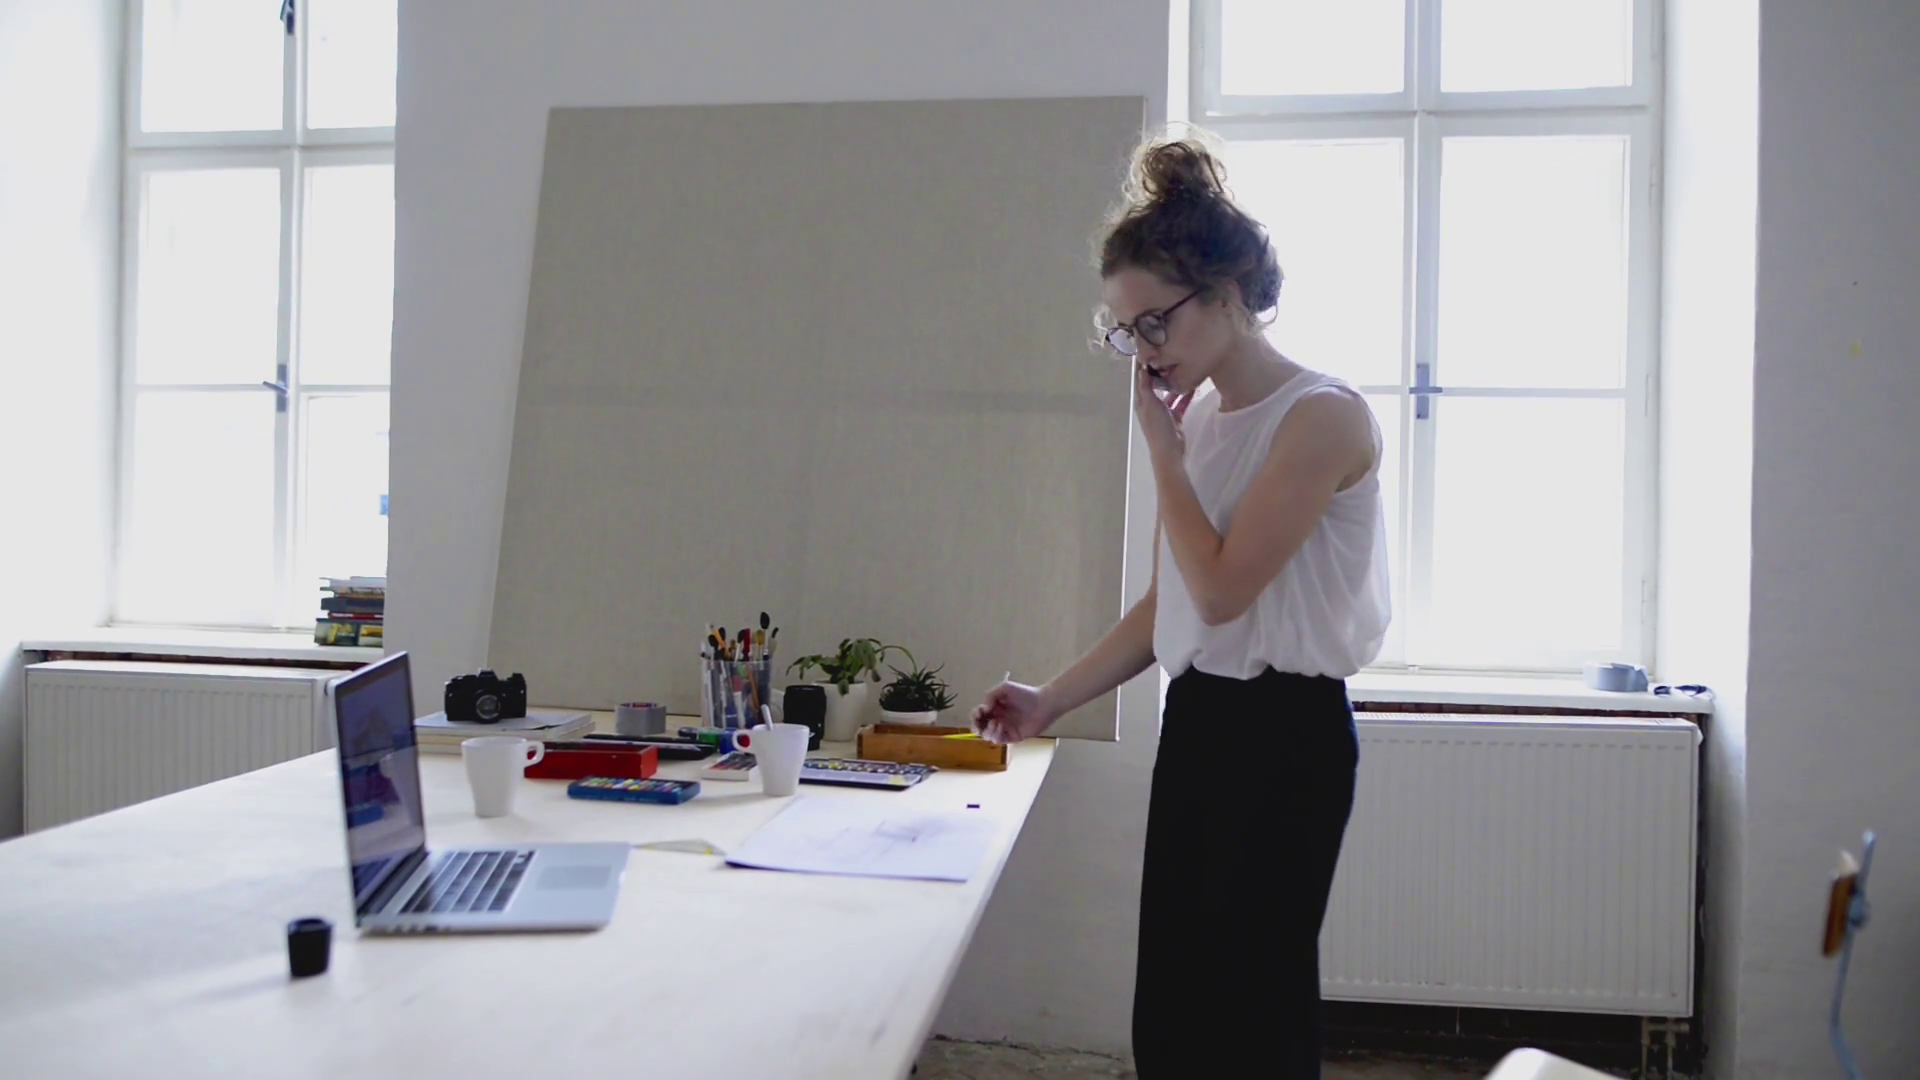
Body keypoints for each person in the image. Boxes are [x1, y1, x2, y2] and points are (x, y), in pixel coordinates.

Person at [969, 134, 1391, 1078]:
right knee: (1173, 1011)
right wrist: (1049, 699)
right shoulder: (1200, 416)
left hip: (1287, 733)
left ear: (1228, 293)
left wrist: (1160, 455)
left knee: (1253, 1011)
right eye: (1127, 333)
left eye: (1154, 324)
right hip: (1202, 720)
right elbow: (1176, 604)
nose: (1145, 352)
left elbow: (1225, 591)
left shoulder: (1322, 417)